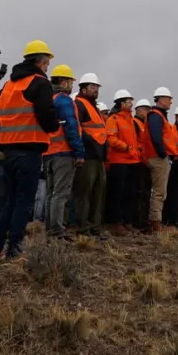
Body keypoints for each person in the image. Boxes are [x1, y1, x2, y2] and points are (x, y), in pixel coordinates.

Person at [0, 39, 59, 258]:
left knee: (10, 201)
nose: (47, 68)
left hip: (8, 152)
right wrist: (54, 126)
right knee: (24, 201)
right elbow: (46, 114)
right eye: (47, 64)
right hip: (30, 152)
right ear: (41, 61)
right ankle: (14, 248)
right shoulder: (40, 82)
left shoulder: (9, 85)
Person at [43, 64, 84, 239]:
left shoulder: (47, 99)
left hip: (48, 153)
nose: (72, 85)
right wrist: (79, 151)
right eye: (70, 81)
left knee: (51, 194)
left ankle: (50, 229)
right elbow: (71, 127)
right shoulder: (64, 100)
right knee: (61, 194)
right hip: (64, 152)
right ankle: (57, 231)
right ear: (64, 81)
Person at [72, 73, 107, 236]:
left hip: (98, 156)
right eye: (93, 87)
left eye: (97, 88)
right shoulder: (79, 104)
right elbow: (77, 129)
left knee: (98, 193)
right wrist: (90, 143)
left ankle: (94, 226)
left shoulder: (94, 107)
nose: (95, 91)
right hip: (87, 155)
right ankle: (82, 227)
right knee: (84, 193)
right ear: (83, 88)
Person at [104, 89, 141, 235]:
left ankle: (128, 222)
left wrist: (136, 150)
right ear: (121, 103)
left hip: (132, 162)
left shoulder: (130, 120)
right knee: (117, 193)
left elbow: (134, 139)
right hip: (118, 162)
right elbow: (111, 138)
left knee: (130, 193)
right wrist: (127, 148)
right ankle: (117, 223)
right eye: (128, 101)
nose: (131, 104)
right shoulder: (113, 119)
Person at [144, 87, 178, 233]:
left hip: (158, 156)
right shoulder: (156, 116)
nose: (171, 101)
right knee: (159, 192)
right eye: (169, 98)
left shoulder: (158, 116)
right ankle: (155, 223)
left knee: (159, 191)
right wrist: (163, 154)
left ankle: (155, 222)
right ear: (161, 99)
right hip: (158, 158)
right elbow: (156, 137)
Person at [131, 98, 152, 231]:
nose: (149, 112)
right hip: (138, 163)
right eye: (147, 109)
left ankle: (143, 222)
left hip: (146, 163)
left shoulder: (145, 125)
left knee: (145, 193)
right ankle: (137, 222)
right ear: (139, 110)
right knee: (139, 193)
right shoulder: (135, 123)